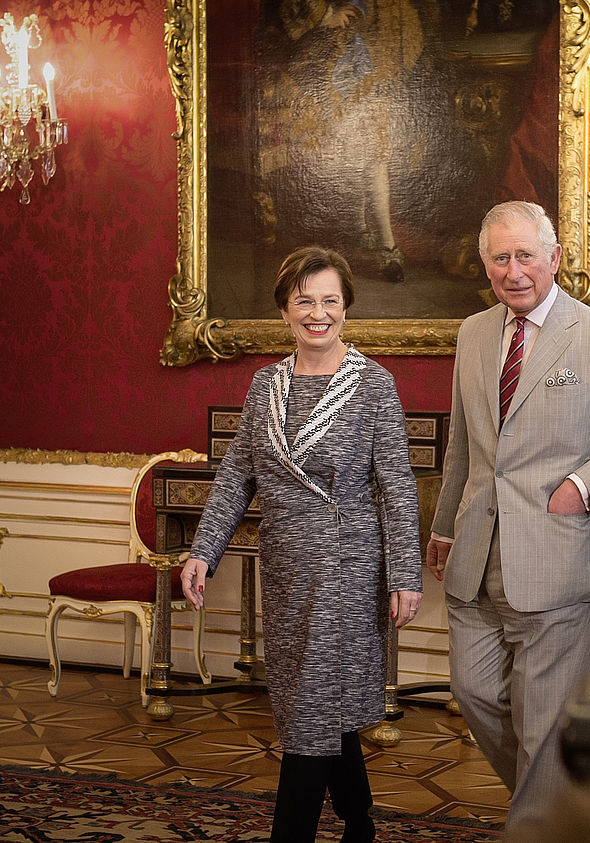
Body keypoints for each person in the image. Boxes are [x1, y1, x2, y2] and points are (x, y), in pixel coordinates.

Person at [426, 201, 590, 830]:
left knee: (547, 722)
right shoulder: (474, 334)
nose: (514, 270)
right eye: (500, 258)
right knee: (475, 693)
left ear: (555, 258)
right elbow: (465, 447)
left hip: (559, 559)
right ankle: (562, 807)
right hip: (477, 557)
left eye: (526, 255)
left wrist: (583, 486)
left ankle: (537, 823)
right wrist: (445, 524)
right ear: (485, 266)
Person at [179, 246, 423, 843]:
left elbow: (396, 484)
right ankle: (359, 819)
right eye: (304, 301)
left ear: (347, 308)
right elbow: (238, 475)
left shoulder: (373, 384)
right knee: (310, 700)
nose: (318, 313)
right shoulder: (266, 384)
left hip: (347, 568)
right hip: (285, 567)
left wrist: (405, 574)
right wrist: (203, 550)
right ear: (285, 311)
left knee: (312, 708)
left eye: (330, 301)